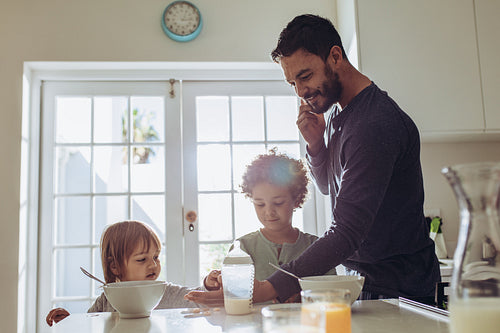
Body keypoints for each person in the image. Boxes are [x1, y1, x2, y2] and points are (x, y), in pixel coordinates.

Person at [186, 14, 440, 306]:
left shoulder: (373, 123)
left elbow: (346, 231)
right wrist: (317, 146)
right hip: (365, 282)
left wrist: (269, 288)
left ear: (335, 56)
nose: (300, 92)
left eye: (305, 76)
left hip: (401, 290)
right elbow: (328, 186)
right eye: (292, 82)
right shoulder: (336, 115)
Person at [204, 149, 335, 292]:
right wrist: (212, 283)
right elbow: (230, 292)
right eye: (260, 204)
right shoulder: (242, 247)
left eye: (278, 203)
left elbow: (332, 292)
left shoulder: (315, 246)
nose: (268, 212)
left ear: (296, 200)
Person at [46, 220, 214, 326]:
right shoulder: (106, 300)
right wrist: (69, 322)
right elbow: (90, 325)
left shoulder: (164, 291)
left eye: (156, 257)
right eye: (142, 259)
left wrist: (208, 285)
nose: (153, 264)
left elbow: (196, 300)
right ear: (115, 267)